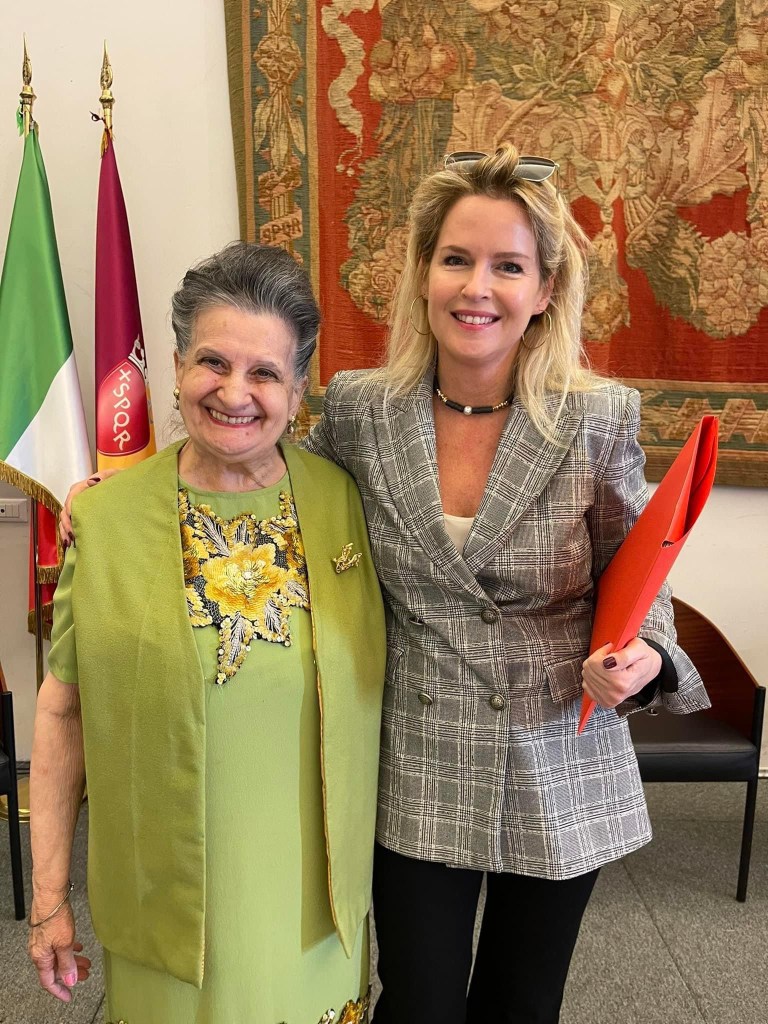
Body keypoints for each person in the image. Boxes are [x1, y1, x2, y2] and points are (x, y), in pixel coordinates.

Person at [59, 145, 710, 1024]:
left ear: (545, 289)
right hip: (417, 762)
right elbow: (257, 457)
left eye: (508, 266)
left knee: (524, 1005)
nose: (477, 287)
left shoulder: (597, 418)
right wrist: (125, 494)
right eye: (456, 259)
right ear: (423, 273)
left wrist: (646, 657)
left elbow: (642, 569)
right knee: (418, 1005)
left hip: (558, 753)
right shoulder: (365, 409)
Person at [29, 242, 385, 1024]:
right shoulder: (106, 519)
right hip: (163, 902)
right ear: (177, 367)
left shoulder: (344, 503)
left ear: (298, 390)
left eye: (264, 373)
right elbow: (62, 708)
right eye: (212, 363)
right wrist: (49, 899)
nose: (234, 392)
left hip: (314, 904)